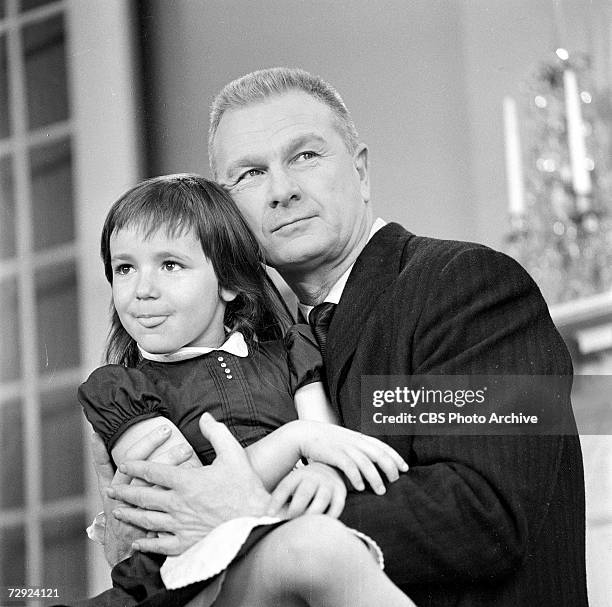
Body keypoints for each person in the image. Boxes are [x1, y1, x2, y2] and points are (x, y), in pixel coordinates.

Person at [103, 68, 588, 606]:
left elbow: (484, 512)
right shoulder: (255, 348)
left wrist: (254, 516)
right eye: (250, 174)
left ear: (360, 171)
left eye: (305, 156)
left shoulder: (467, 284)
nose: (282, 190)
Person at [78, 173, 414, 607]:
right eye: (125, 268)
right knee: (319, 548)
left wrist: (322, 470)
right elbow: (193, 496)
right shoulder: (120, 389)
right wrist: (294, 440)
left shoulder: (291, 352)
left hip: (276, 549)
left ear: (228, 282)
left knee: (324, 547)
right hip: (189, 575)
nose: (142, 289)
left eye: (170, 265)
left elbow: (329, 443)